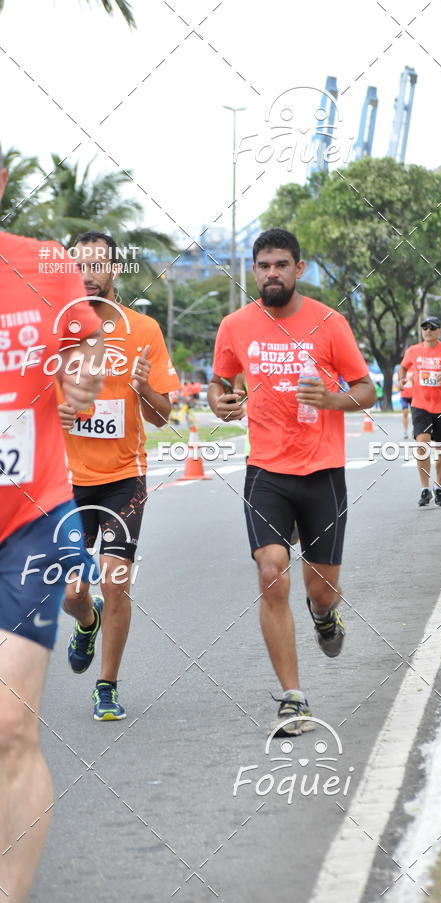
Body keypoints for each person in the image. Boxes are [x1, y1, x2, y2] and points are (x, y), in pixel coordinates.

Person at [209, 228, 376, 736]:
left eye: (281, 264)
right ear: (253, 270)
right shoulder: (235, 325)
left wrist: (334, 399)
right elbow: (220, 382)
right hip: (265, 470)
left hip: (322, 471)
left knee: (321, 591)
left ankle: (325, 616)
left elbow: (366, 389)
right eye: (263, 265)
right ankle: (293, 698)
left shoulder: (329, 322)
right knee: (271, 572)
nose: (272, 273)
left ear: (299, 269)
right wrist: (219, 402)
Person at [0, 147, 104, 902]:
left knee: (9, 725)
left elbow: (84, 344)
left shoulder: (44, 263)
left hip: (27, 519)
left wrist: (82, 373)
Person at [57, 232, 180, 721]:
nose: (88, 274)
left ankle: (106, 686)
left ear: (113, 269)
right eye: (79, 265)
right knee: (72, 593)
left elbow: (162, 416)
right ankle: (86, 621)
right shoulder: (53, 331)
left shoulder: (143, 329)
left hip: (125, 477)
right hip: (67, 480)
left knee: (116, 581)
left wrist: (144, 387)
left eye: (97, 265)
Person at [399, 317, 441, 507]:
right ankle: (424, 488)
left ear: (440, 331)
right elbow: (403, 367)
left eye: (432, 328)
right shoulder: (413, 350)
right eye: (425, 327)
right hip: (420, 405)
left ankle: (438, 486)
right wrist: (401, 380)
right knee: (422, 443)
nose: (428, 331)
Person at [399, 365, 413, 439]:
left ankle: (414, 430)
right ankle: (405, 431)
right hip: (404, 395)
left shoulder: (415, 367)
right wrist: (400, 385)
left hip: (414, 395)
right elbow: (398, 384)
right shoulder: (401, 369)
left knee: (415, 414)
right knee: (405, 412)